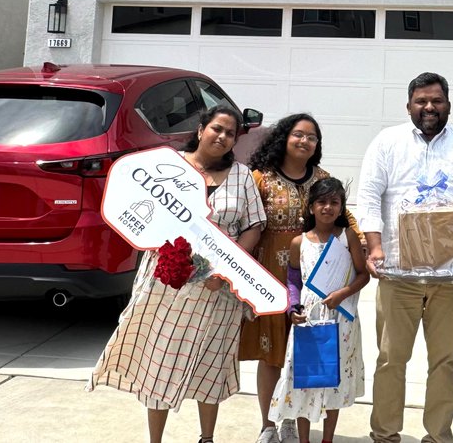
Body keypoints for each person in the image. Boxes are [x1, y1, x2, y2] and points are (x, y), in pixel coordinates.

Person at [88, 104, 267, 443]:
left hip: (219, 289)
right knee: (161, 361)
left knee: (210, 362)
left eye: (230, 133)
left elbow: (254, 226)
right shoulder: (169, 166)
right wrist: (172, 253)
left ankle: (207, 438)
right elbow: (140, 213)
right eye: (217, 128)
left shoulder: (242, 176)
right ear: (201, 129)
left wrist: (228, 268)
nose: (223, 137)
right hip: (169, 283)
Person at [357, 71, 453, 443]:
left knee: (446, 360)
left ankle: (438, 436)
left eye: (436, 100)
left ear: (448, 104)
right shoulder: (387, 142)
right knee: (390, 360)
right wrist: (374, 246)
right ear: (409, 106)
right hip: (398, 274)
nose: (429, 107)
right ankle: (385, 435)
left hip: (450, 275)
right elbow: (369, 199)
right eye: (421, 101)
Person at [239, 114, 362, 443]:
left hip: (311, 280)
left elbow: (346, 217)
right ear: (284, 138)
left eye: (312, 137)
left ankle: (292, 417)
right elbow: (245, 219)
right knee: (271, 354)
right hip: (269, 279)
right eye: (298, 134)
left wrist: (366, 246)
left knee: (300, 352)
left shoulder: (322, 178)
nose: (305, 141)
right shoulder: (260, 178)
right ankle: (268, 424)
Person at [269, 177, 368, 443]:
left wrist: (342, 294)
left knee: (332, 379)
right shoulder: (299, 243)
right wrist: (292, 308)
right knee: (306, 378)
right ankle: (304, 439)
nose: (328, 207)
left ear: (341, 206)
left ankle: (327, 438)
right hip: (308, 322)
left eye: (334, 202)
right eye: (321, 202)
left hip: (340, 319)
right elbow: (293, 280)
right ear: (311, 207)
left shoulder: (347, 238)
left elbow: (363, 275)